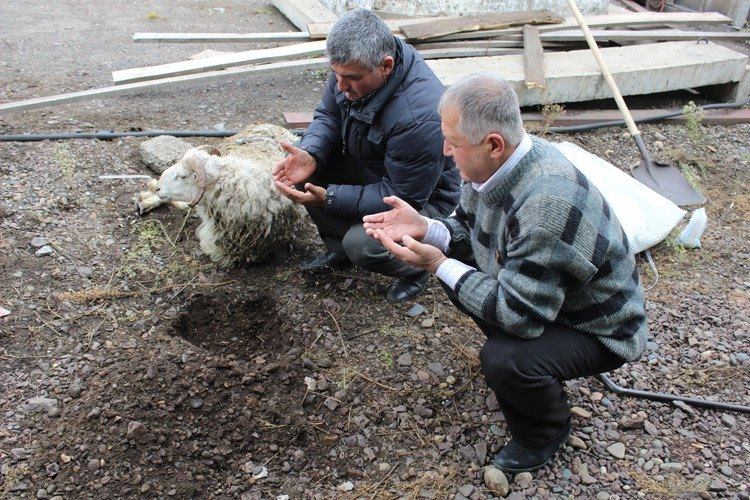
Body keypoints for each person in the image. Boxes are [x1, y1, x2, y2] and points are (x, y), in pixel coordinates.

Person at [363, 73, 648, 473]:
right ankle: (536, 372)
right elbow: (466, 228)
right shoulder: (492, 168)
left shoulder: (545, 202)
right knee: (456, 273)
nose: (446, 150)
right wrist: (428, 228)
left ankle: (546, 429)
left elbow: (520, 316)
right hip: (550, 299)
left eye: (454, 143)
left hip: (598, 325)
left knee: (505, 359)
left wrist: (437, 263)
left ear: (493, 144)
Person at [272, 8, 460, 302]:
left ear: (385, 66)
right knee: (303, 172)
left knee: (364, 245)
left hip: (420, 199)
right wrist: (312, 154)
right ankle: (339, 248)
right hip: (373, 168)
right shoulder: (350, 68)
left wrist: (330, 197)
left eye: (350, 78)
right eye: (336, 75)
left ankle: (415, 268)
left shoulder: (418, 116)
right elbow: (328, 116)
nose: (340, 86)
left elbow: (403, 196)